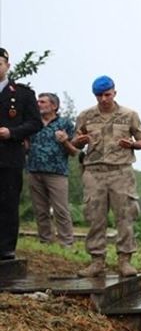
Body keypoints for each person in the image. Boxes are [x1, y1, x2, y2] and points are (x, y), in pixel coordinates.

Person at [70, 75, 141, 277]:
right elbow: (75, 143)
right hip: (94, 172)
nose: (103, 99)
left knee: (125, 216)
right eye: (99, 95)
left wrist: (132, 144)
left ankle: (125, 260)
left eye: (107, 94)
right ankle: (96, 261)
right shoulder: (86, 116)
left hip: (121, 171)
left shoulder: (129, 115)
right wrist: (80, 140)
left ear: (114, 92)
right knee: (95, 217)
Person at [0, 48, 44, 260]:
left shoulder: (22, 93)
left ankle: (6, 247)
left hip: (9, 156)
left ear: (7, 66)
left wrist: (12, 132)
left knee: (8, 202)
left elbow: (36, 122)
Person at [24, 92, 77, 247]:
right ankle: (45, 241)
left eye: (42, 102)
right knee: (40, 210)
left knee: (61, 210)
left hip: (57, 173)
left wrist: (65, 141)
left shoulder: (65, 123)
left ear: (54, 106)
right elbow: (26, 145)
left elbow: (74, 151)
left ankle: (66, 243)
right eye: (37, 102)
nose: (38, 104)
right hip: (34, 171)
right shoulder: (33, 123)